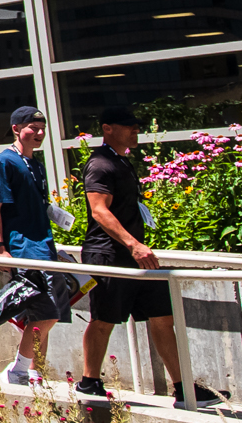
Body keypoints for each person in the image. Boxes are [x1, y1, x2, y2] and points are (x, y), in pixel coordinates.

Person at [76, 107, 223, 406]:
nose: (135, 130)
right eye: (128, 125)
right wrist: (134, 245)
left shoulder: (122, 162)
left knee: (162, 317)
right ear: (107, 128)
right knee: (104, 319)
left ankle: (184, 389)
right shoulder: (101, 164)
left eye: (136, 126)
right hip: (109, 255)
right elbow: (99, 211)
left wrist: (137, 248)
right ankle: (89, 383)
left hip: (137, 256)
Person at [0, 105, 87, 387]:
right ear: (16, 129)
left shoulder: (35, 165)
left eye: (42, 128)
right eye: (32, 128)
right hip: (24, 247)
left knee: (45, 313)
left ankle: (34, 372)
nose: (39, 133)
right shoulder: (4, 163)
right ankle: (18, 370)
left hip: (44, 245)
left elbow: (38, 205)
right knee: (48, 312)